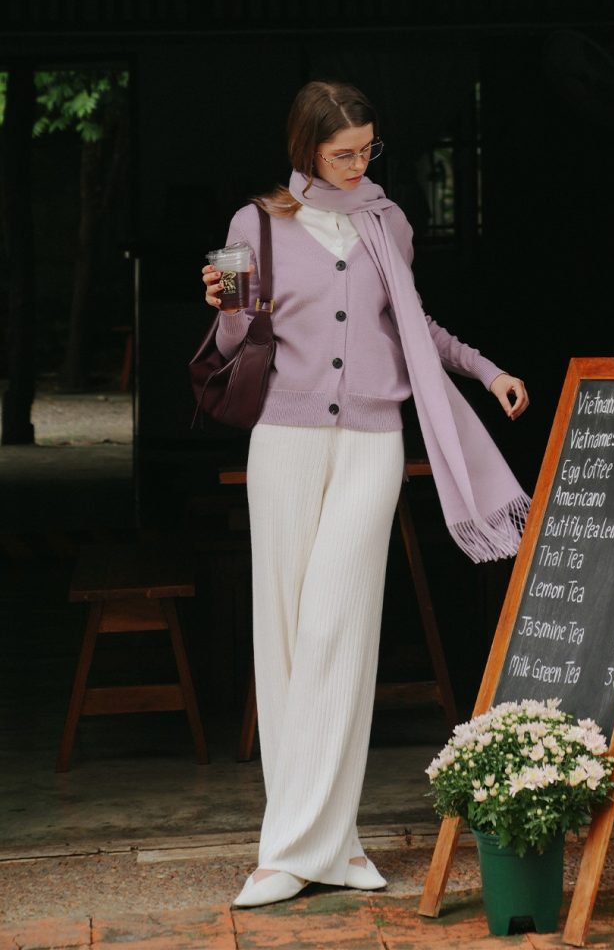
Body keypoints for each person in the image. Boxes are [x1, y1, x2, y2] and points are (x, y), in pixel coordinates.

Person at [201, 80, 531, 909]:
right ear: (307, 149)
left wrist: (486, 370)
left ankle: (303, 847)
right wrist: (226, 306)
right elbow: (235, 338)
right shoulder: (255, 225)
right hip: (285, 439)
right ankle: (317, 846)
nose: (358, 164)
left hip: (372, 441)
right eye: (343, 153)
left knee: (337, 630)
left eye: (367, 150)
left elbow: (413, 326)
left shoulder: (387, 221)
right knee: (285, 635)